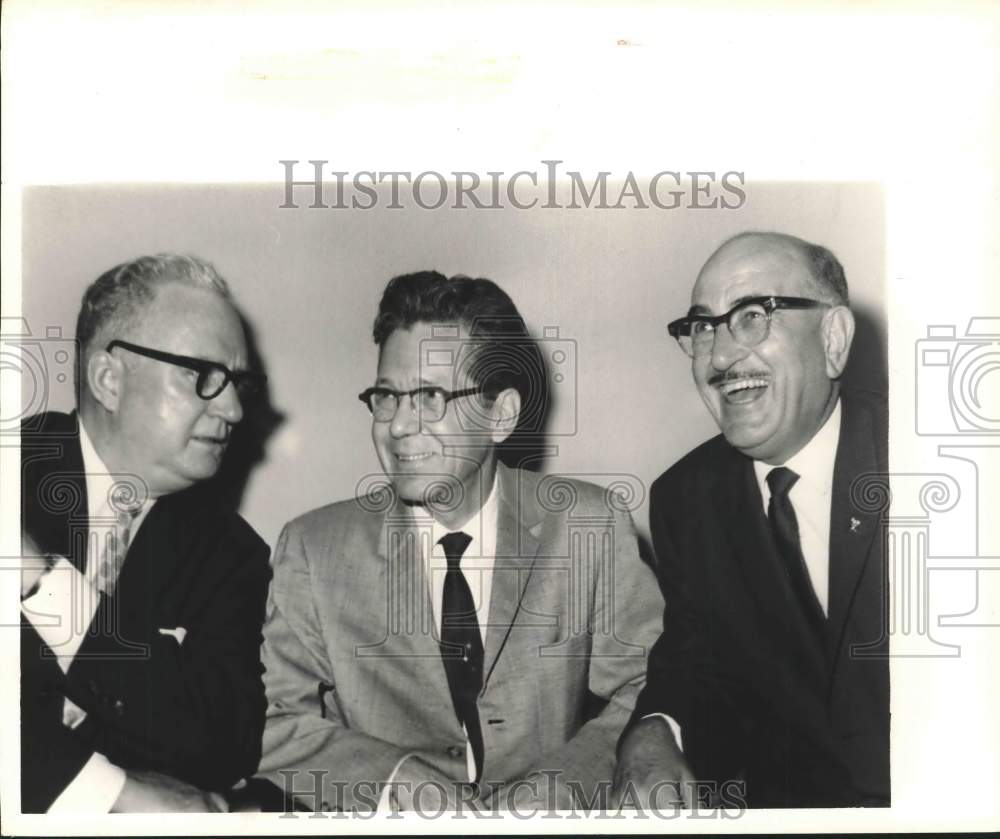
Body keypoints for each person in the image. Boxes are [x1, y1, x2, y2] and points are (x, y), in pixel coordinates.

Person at [257, 270, 662, 812]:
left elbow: (651, 687)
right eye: (386, 396)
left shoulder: (590, 525)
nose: (397, 426)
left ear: (501, 414)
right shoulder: (313, 549)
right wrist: (390, 781)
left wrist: (567, 781)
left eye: (429, 397)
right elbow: (269, 722)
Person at [615, 232, 889, 808]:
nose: (718, 356)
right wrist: (655, 730)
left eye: (752, 316)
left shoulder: (934, 465)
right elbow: (696, 660)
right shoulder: (686, 499)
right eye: (702, 327)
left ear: (834, 339)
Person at [19, 254, 271, 813]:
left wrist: (41, 582)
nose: (231, 408)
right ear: (109, 379)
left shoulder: (232, 553)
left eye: (238, 383)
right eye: (200, 375)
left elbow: (224, 746)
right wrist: (114, 793)